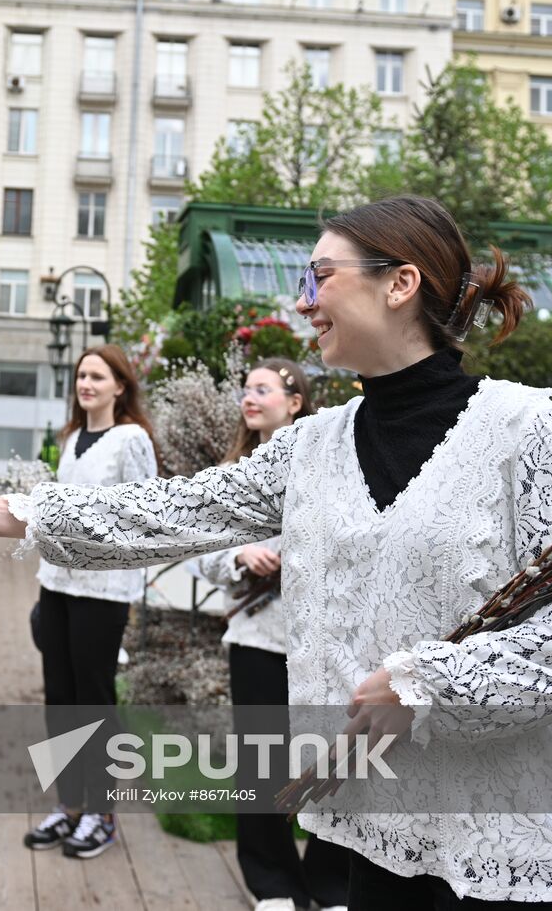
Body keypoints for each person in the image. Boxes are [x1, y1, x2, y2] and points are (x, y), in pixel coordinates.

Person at [0, 196, 552, 909]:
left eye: (320, 277)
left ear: (401, 283)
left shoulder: (526, 431)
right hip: (376, 837)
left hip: (514, 847)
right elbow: (177, 509)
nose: (303, 302)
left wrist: (432, 684)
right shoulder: (314, 445)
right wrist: (11, 511)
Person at [187, 358, 351, 911]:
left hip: (327, 643)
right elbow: (198, 553)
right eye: (246, 388)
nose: (249, 397)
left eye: (263, 388)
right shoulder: (232, 471)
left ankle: (330, 883)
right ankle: (273, 883)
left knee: (333, 761)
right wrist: (238, 554)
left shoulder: (335, 467)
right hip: (259, 636)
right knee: (260, 763)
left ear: (296, 401)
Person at [21, 345, 157, 861]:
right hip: (56, 581)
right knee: (59, 696)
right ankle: (69, 804)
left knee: (93, 698)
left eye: (98, 376)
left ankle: (102, 813)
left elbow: (148, 513)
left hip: (103, 590)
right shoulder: (73, 436)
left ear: (120, 386)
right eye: (81, 375)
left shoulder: (132, 439)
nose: (87, 384)